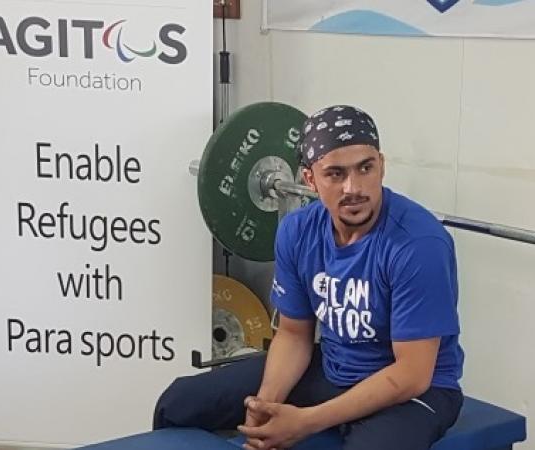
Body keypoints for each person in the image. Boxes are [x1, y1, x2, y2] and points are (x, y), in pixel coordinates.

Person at [153, 105, 465, 450]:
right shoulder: (297, 231)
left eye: (365, 168)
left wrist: (305, 422)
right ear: (310, 179)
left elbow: (412, 375)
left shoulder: (419, 244)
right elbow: (293, 335)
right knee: (178, 404)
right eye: (335, 174)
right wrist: (265, 407)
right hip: (333, 368)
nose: (353, 187)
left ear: (382, 165)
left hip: (415, 393)